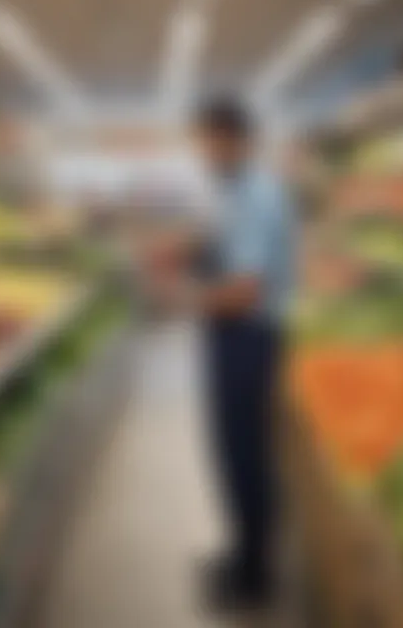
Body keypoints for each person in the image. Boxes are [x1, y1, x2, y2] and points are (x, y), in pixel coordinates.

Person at [147, 97, 295, 612]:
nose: (204, 151)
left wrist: (182, 300)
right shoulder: (231, 186)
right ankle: (241, 553)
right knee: (230, 454)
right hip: (230, 334)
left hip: (248, 336)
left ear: (238, 139)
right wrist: (184, 250)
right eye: (200, 140)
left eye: (211, 140)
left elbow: (245, 291)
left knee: (244, 455)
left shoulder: (258, 193)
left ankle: (255, 579)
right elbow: (220, 244)